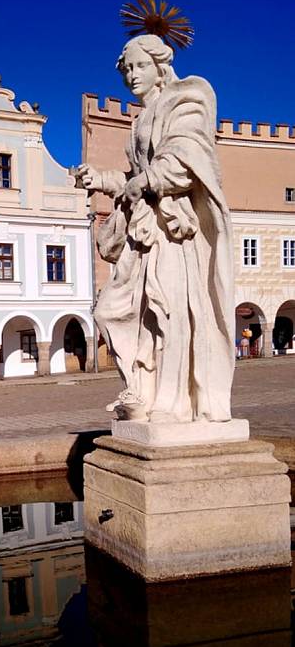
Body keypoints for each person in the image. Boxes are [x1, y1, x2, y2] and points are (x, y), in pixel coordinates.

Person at [79, 34, 234, 423]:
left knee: (169, 314)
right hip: (145, 234)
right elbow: (135, 176)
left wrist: (144, 182)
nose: (132, 74)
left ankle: (170, 402)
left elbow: (187, 159)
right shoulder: (140, 121)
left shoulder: (184, 102)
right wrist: (101, 178)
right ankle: (140, 391)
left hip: (174, 232)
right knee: (113, 310)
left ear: (160, 67)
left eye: (140, 65)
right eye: (127, 68)